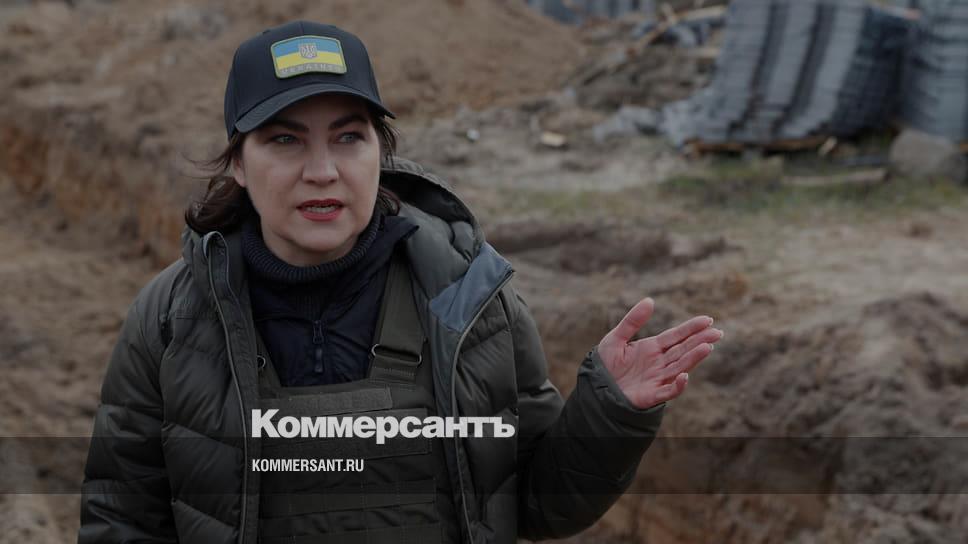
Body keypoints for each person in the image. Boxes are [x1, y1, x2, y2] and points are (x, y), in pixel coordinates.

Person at [78, 20, 723, 544]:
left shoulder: (469, 303)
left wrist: (608, 412)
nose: (323, 170)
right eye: (285, 141)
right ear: (239, 165)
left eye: (348, 137)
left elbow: (535, 504)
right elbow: (121, 522)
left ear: (379, 154)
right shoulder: (171, 320)